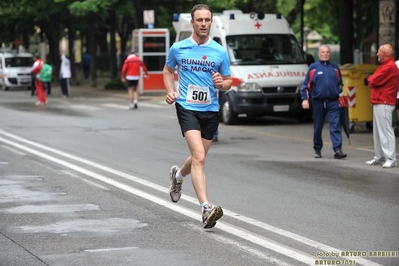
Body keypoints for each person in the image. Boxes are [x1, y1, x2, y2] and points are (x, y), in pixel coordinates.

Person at [163, 4, 232, 229]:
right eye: (199, 20)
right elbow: (167, 70)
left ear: (211, 22)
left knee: (196, 158)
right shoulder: (178, 48)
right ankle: (205, 208)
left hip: (211, 109)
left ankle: (178, 176)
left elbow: (228, 81)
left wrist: (223, 84)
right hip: (187, 106)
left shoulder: (219, 51)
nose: (203, 24)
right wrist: (170, 90)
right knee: (200, 157)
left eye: (207, 20)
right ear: (192, 22)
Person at [300, 45, 347, 159]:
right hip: (318, 102)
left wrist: (338, 90)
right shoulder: (313, 68)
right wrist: (305, 99)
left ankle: (337, 150)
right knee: (318, 127)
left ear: (330, 54)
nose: (325, 54)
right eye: (323, 52)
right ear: (319, 54)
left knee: (335, 126)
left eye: (327, 52)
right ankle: (317, 149)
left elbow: (340, 83)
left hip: (333, 102)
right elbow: (306, 86)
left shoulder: (335, 67)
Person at [365, 43, 398, 168]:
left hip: (384, 101)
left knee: (385, 130)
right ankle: (379, 157)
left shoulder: (388, 66)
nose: (377, 53)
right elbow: (373, 79)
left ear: (384, 54)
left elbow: (373, 80)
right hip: (380, 101)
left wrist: (371, 79)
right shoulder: (386, 65)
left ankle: (390, 158)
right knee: (378, 132)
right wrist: (372, 79)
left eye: (379, 52)